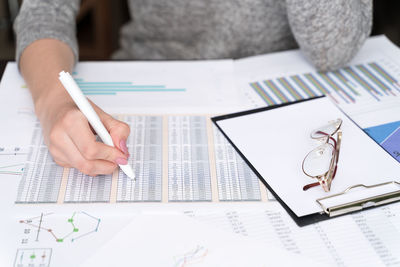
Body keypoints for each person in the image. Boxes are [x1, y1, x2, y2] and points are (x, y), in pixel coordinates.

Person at [14, 0, 372, 177]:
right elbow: (43, 10)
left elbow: (334, 47)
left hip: (281, 92)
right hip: (151, 80)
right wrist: (55, 103)